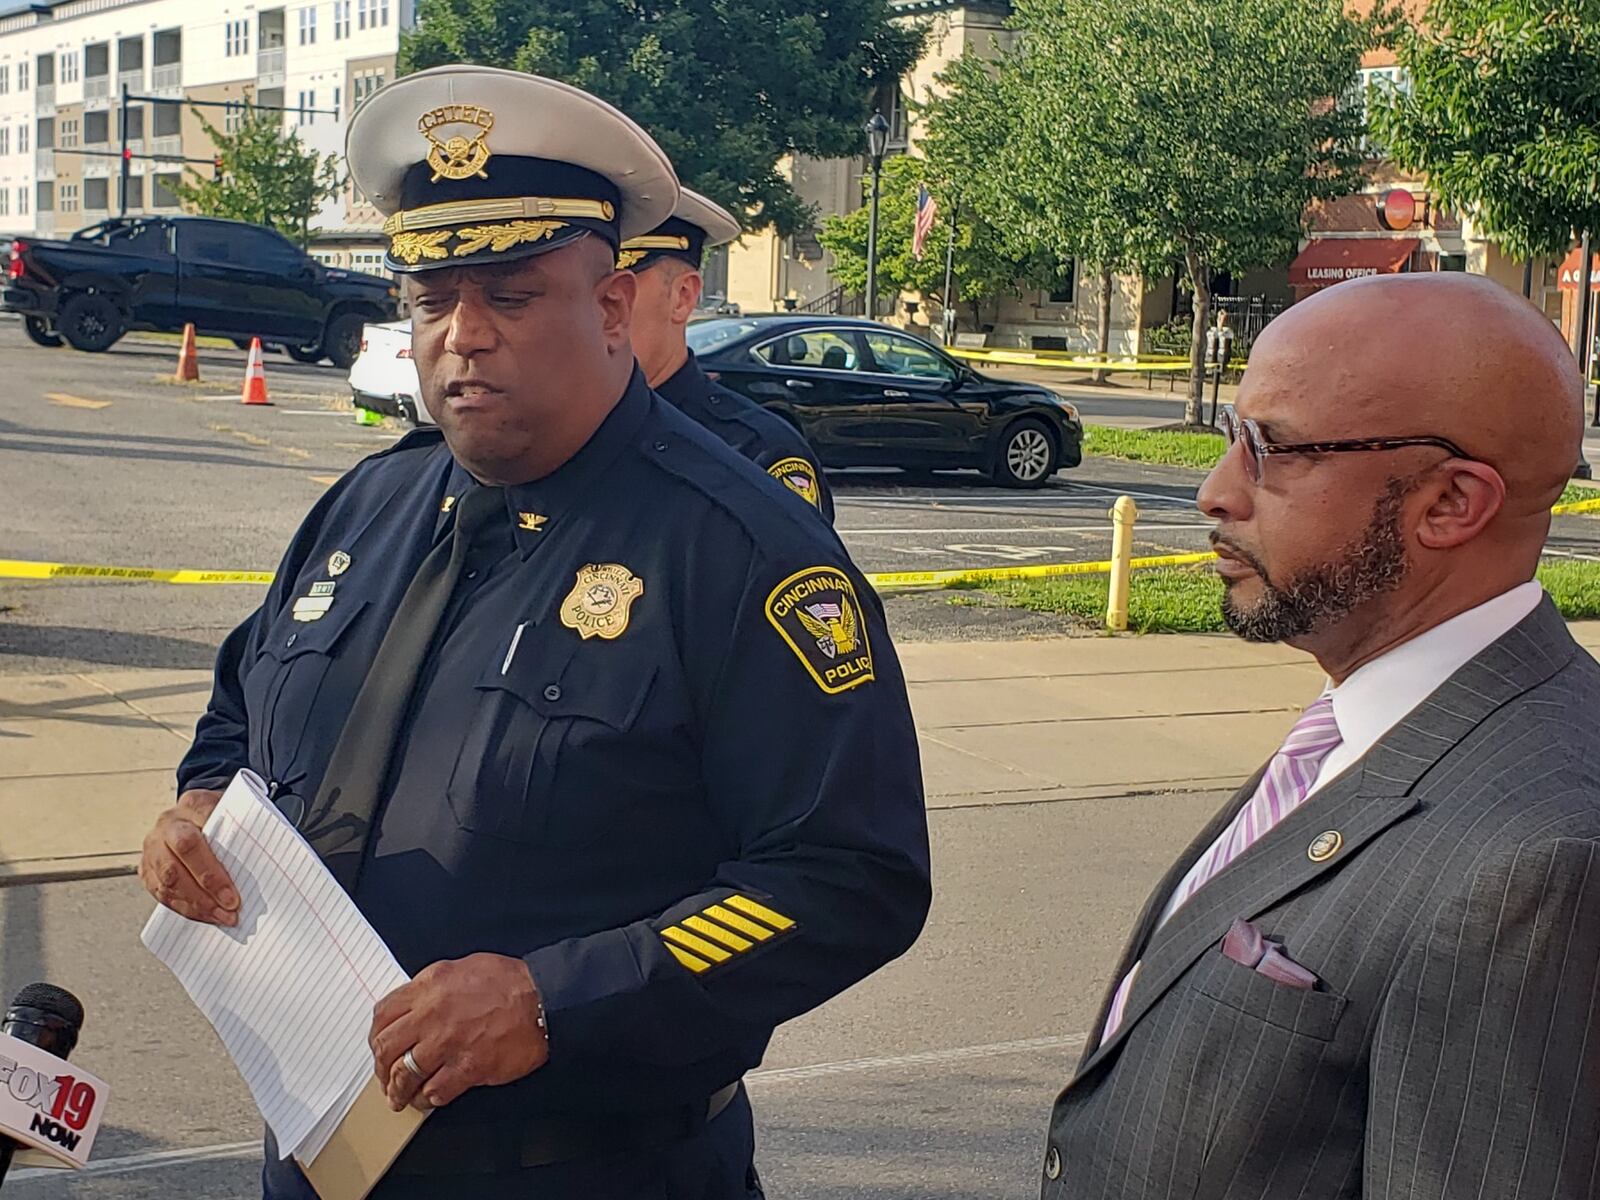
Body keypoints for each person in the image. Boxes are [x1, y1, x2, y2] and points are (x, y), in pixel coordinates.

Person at [139, 65, 930, 1200]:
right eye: (431, 299)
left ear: (611, 307)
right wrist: (200, 805)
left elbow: (852, 878)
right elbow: (237, 716)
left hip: (587, 1169)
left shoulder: (742, 551)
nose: (464, 336)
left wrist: (557, 1000)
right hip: (321, 1157)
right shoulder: (362, 509)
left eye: (509, 295)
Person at [1041, 273, 1600, 1198]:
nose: (1216, 492)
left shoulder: (1541, 860)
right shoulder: (1367, 719)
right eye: (1231, 436)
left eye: (1275, 450)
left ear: (1451, 504)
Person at [621, 189, 834, 518]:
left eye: (619, 291)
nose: (592, 312)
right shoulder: (544, 436)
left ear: (682, 296)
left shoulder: (756, 452)